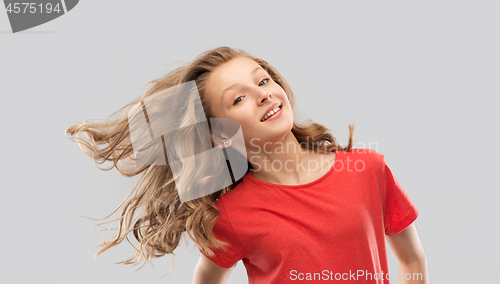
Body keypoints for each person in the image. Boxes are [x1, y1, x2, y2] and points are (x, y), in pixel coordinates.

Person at [65, 46, 427, 283]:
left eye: (263, 80)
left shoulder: (368, 170)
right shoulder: (232, 216)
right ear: (218, 134)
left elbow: (411, 262)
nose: (262, 93)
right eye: (238, 98)